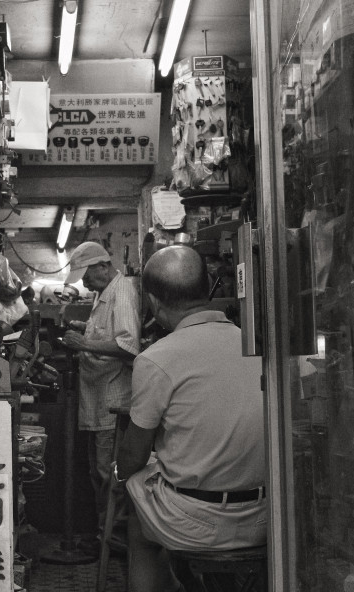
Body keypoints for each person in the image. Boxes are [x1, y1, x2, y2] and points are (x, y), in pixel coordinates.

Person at [116, 245, 266, 592]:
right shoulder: (259, 345)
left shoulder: (157, 359)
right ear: (210, 287)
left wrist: (120, 476)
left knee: (136, 503)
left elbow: (132, 457)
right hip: (266, 514)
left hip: (195, 521)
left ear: (153, 302)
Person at [61, 241, 141, 554]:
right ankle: (103, 535)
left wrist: (84, 344)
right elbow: (110, 335)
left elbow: (126, 346)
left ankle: (111, 541)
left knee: (110, 474)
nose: (82, 281)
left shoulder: (122, 293)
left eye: (86, 274)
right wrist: (88, 330)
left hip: (112, 400)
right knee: (100, 473)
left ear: (103, 266)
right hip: (98, 399)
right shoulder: (104, 293)